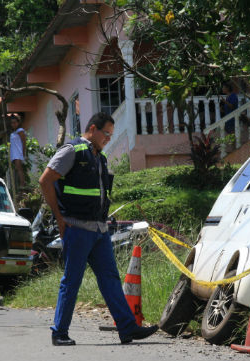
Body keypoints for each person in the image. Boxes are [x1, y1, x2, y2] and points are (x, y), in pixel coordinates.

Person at [39, 112, 158, 346]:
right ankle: (59, 332)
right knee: (72, 281)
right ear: (92, 129)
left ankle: (127, 329)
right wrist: (60, 218)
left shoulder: (99, 157)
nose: (108, 139)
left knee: (110, 279)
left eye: (111, 135)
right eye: (106, 133)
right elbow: (45, 180)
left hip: (99, 231)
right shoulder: (72, 150)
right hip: (77, 229)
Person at [9, 115, 26, 188]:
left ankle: (22, 185)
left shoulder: (20, 131)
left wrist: (23, 153)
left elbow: (24, 142)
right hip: (14, 154)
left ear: (18, 123)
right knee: (17, 169)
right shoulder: (13, 132)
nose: (13, 124)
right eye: (12, 123)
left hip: (18, 153)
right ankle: (18, 185)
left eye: (15, 122)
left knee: (19, 169)